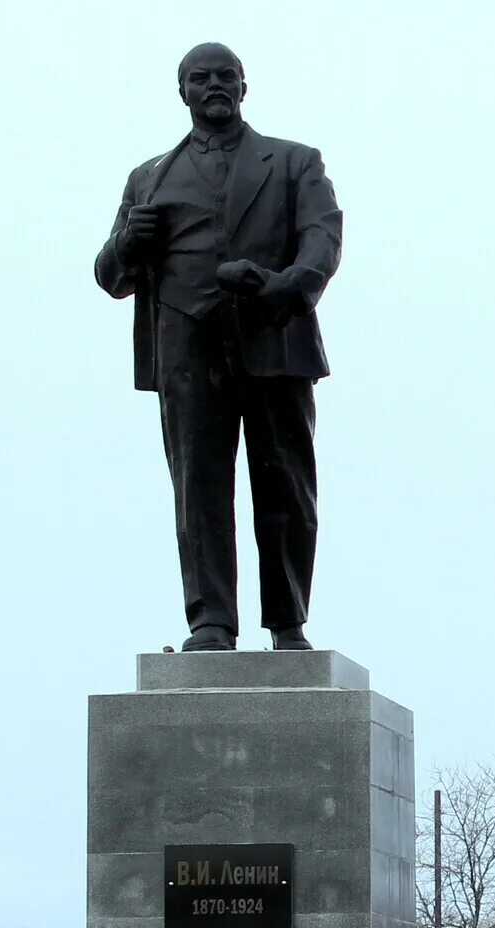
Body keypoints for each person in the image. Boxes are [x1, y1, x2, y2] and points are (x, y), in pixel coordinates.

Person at [93, 43, 343, 651]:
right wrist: (130, 243)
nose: (214, 86)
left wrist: (288, 287)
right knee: (198, 487)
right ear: (181, 91)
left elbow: (322, 238)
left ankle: (288, 622)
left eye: (225, 76)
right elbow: (109, 276)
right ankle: (210, 621)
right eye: (199, 78)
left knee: (285, 483)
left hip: (272, 336)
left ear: (244, 86)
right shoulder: (148, 177)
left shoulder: (293, 162)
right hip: (186, 347)